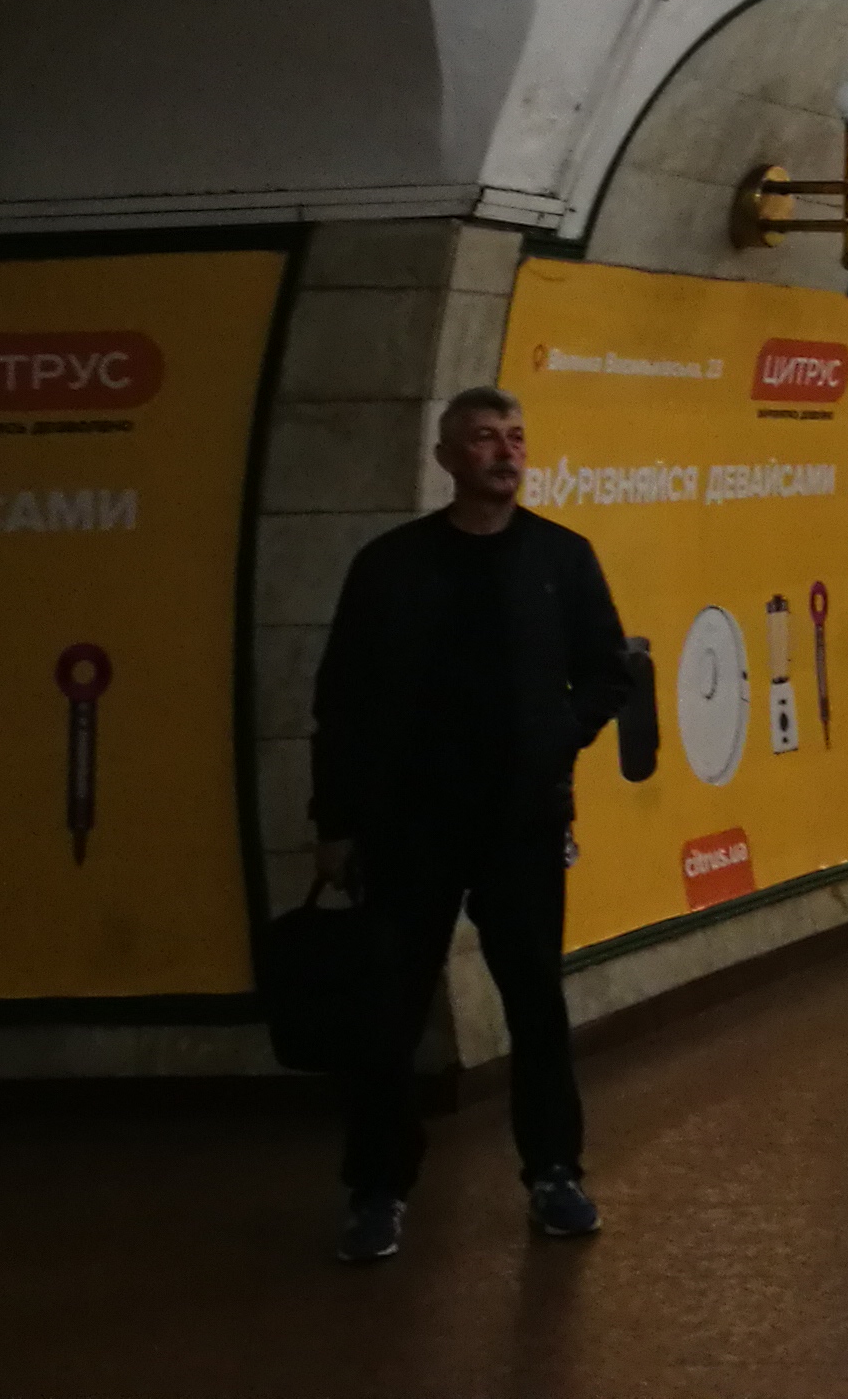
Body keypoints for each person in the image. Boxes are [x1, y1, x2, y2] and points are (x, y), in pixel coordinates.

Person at [309, 385, 628, 1265]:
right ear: (449, 458)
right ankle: (376, 1188)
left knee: (535, 1004)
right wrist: (334, 823)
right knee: (388, 1014)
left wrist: (563, 732)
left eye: (515, 438)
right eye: (484, 440)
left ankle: (555, 1172)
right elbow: (341, 701)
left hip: (521, 825)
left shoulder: (561, 559)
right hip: (407, 826)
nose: (504, 453)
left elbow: (607, 670)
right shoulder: (392, 565)